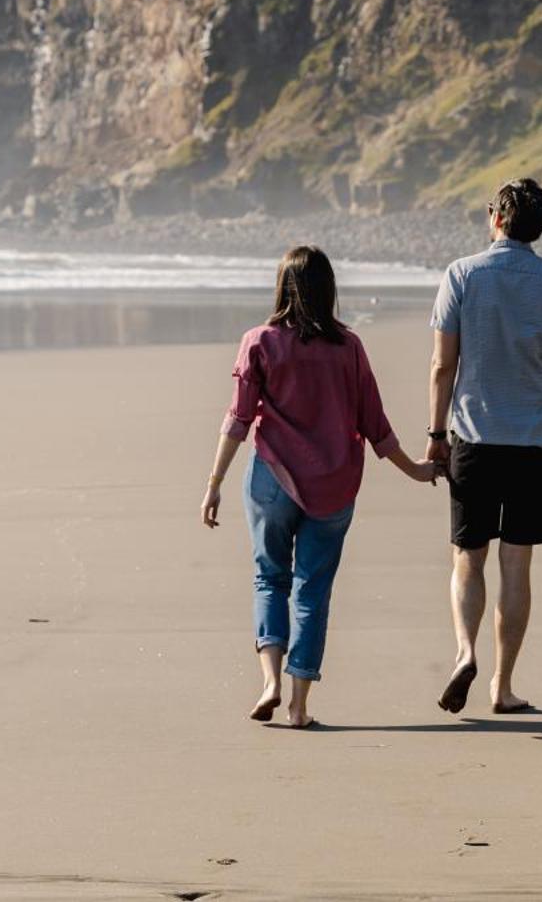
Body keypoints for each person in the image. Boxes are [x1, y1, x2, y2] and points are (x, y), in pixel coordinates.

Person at [201, 245, 437, 729]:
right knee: (313, 590)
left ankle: (268, 680)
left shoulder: (259, 341)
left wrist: (215, 481)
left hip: (271, 479)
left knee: (270, 577)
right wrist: (414, 469)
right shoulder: (348, 347)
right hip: (333, 485)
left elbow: (239, 419)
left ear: (282, 287)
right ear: (328, 290)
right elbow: (374, 422)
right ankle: (299, 703)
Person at [425, 178, 542, 716]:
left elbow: (444, 364)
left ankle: (465, 652)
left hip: (473, 436)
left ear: (496, 217)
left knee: (468, 558)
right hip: (535, 438)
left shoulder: (462, 274)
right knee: (517, 565)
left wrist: (435, 434)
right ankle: (502, 686)